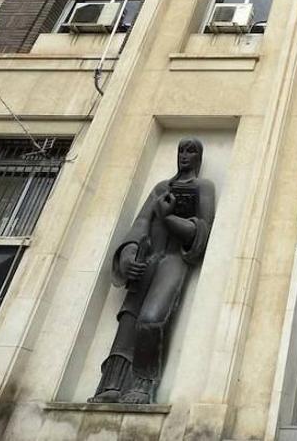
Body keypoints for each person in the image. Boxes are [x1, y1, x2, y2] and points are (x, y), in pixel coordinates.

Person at [90, 138, 216, 404]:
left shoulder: (203, 187)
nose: (184, 155)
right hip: (149, 257)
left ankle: (142, 384)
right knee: (128, 319)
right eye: (180, 150)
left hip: (174, 259)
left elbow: (201, 230)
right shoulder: (161, 188)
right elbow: (141, 223)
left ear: (199, 157)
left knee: (151, 317)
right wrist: (128, 254)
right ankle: (111, 383)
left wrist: (169, 218)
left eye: (190, 151)